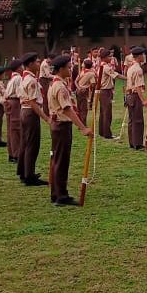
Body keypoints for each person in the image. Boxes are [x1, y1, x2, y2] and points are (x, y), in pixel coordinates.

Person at [46, 55, 95, 206]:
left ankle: (56, 193)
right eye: (68, 67)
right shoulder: (60, 87)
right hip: (62, 125)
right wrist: (83, 128)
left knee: (57, 159)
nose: (70, 69)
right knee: (61, 160)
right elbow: (67, 110)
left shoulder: (55, 83)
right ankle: (61, 195)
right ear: (60, 69)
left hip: (57, 124)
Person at [17, 53, 51, 186]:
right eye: (37, 62)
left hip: (25, 111)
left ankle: (23, 172)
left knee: (25, 143)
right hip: (30, 113)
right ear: (30, 64)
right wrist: (45, 118)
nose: (39, 64)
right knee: (32, 144)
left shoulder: (25, 77)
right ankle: (29, 176)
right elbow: (33, 102)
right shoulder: (30, 80)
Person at [96, 49, 125, 140]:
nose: (111, 58)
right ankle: (107, 134)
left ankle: (102, 131)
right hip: (105, 91)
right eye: (109, 56)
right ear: (104, 57)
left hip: (103, 91)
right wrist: (127, 78)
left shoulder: (101, 65)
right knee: (107, 113)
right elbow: (116, 75)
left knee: (103, 112)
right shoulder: (106, 67)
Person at [125, 47, 147, 150]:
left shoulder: (131, 67)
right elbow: (138, 87)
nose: (144, 57)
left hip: (130, 95)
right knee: (138, 120)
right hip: (135, 96)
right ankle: (137, 143)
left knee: (132, 120)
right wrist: (143, 100)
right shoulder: (138, 69)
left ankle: (132, 142)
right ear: (139, 56)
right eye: (143, 55)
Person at [3, 59, 25, 165]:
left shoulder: (12, 78)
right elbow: (20, 93)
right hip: (15, 102)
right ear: (19, 68)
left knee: (11, 129)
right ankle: (16, 154)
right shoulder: (18, 78)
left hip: (9, 102)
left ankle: (11, 153)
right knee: (16, 129)